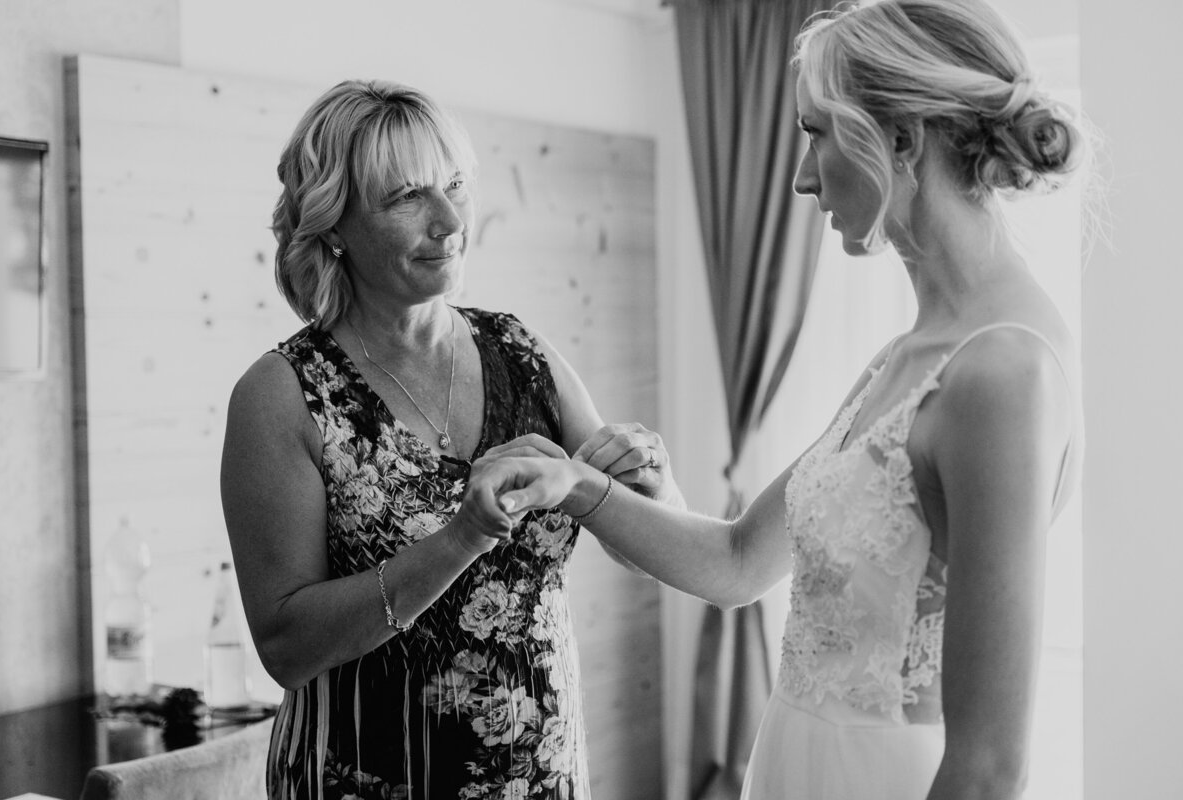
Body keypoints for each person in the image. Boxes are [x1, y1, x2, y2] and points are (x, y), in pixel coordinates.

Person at [466, 1, 1089, 797]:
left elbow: (987, 769)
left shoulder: (1003, 374)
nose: (800, 177)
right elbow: (736, 563)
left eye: (814, 134)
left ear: (900, 138)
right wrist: (579, 486)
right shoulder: (901, 361)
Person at [219, 79, 680, 800]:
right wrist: (459, 538)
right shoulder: (282, 396)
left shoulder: (521, 350)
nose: (449, 220)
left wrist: (649, 482)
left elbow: (641, 545)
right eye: (406, 197)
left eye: (455, 185)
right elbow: (286, 646)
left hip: (542, 779)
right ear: (334, 226)